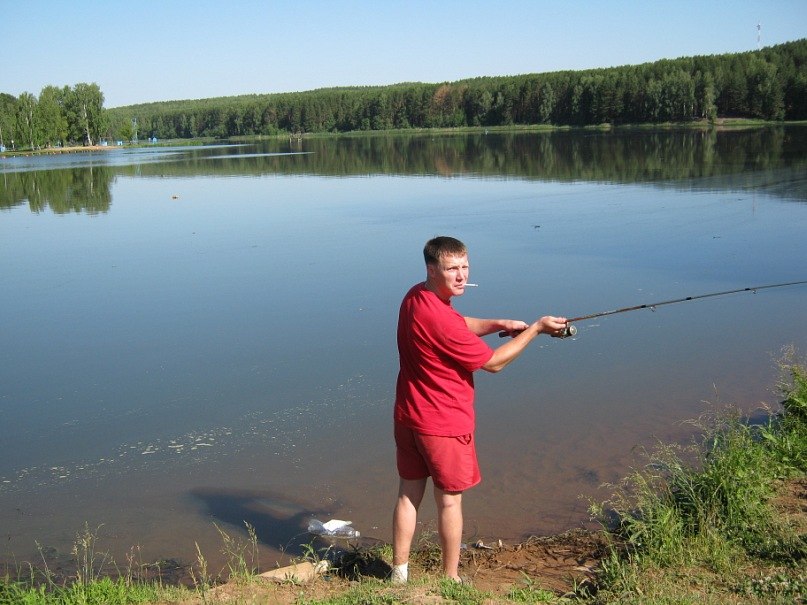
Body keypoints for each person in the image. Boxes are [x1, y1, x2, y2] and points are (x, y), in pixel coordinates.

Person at [391, 236, 568, 584]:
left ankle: (399, 573)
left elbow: (458, 323)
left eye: (464, 267)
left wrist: (498, 323)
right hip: (443, 424)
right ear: (432, 269)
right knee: (450, 503)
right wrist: (535, 330)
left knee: (408, 494)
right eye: (451, 269)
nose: (460, 276)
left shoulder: (417, 296)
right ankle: (451, 579)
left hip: (408, 417)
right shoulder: (439, 318)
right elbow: (494, 363)